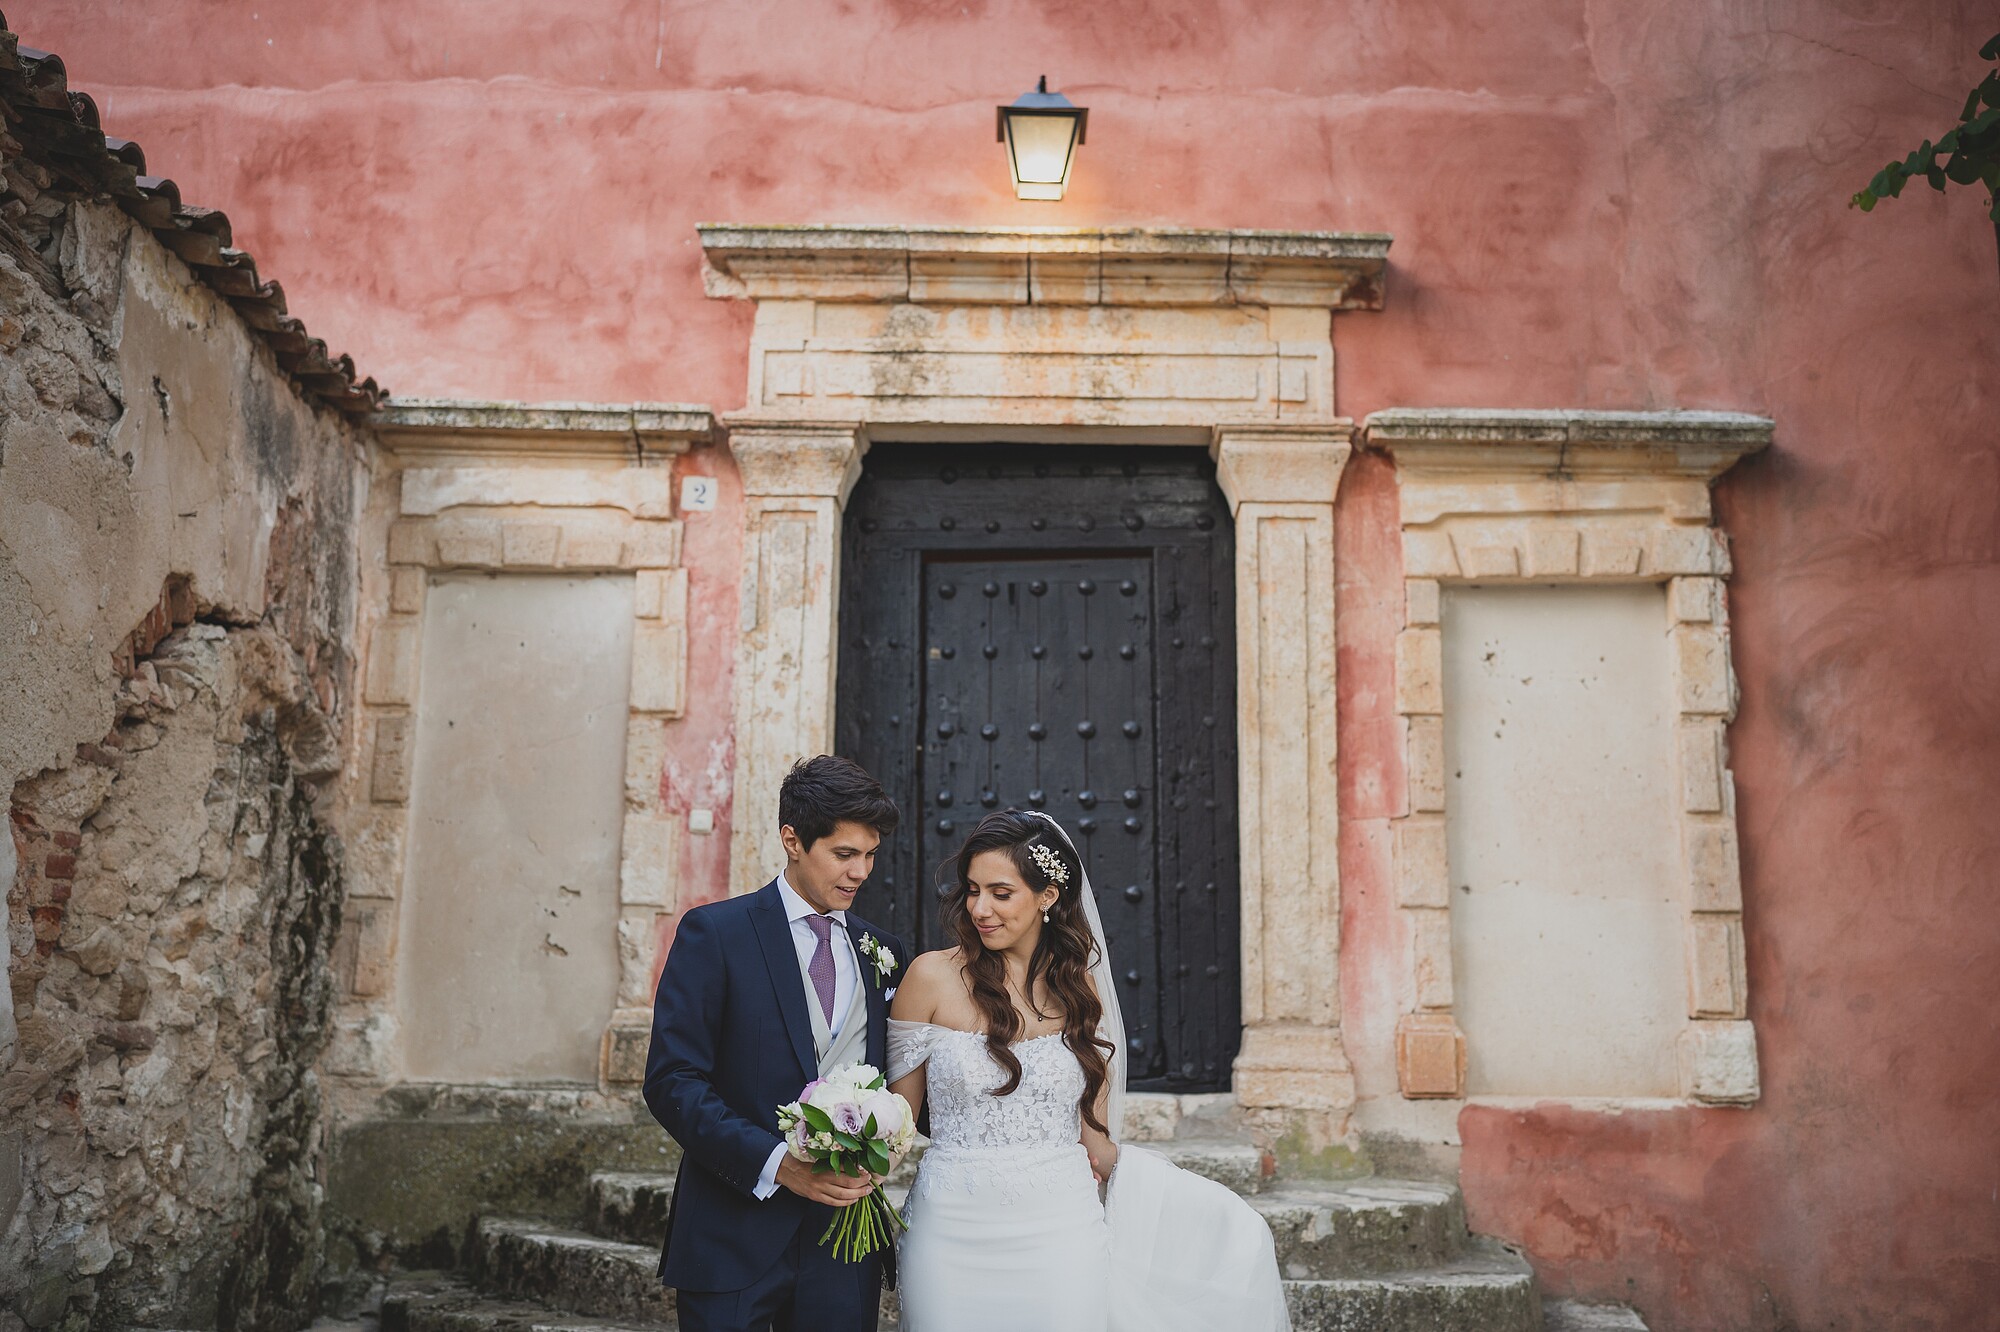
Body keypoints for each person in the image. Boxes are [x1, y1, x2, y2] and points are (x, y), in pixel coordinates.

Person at [887, 808, 1290, 1332]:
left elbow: (1095, 1143)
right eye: (971, 890)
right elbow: (896, 1120)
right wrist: (838, 1143)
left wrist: (1211, 1217)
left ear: (1047, 897)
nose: (980, 908)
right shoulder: (930, 977)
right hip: (949, 1229)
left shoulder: (1079, 989)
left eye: (1000, 893)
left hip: (1061, 1231)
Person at [643, 755, 910, 1332]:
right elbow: (672, 1082)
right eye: (844, 854)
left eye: (870, 855)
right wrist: (778, 1164)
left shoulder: (882, 952)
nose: (861, 871)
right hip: (731, 1231)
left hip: (844, 1244)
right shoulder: (715, 933)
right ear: (792, 839)